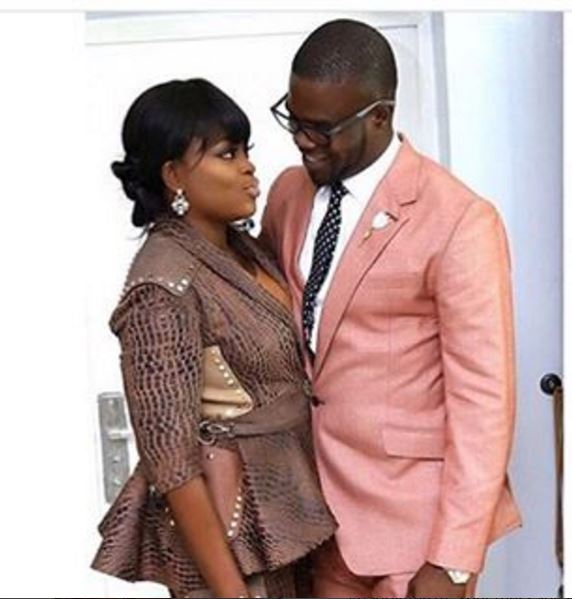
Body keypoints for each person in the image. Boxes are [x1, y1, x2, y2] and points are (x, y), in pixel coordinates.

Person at [261, 19, 522, 599]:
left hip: (415, 533)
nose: (302, 140)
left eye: (321, 128)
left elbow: (484, 402)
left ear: (379, 116)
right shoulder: (287, 195)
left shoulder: (459, 220)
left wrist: (454, 561)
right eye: (293, 120)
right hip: (316, 526)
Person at [91, 78, 336, 598]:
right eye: (228, 154)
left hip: (287, 519)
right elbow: (172, 462)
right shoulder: (162, 284)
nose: (249, 168)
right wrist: (231, 592)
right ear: (174, 176)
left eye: (247, 151)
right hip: (234, 546)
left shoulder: (243, 249)